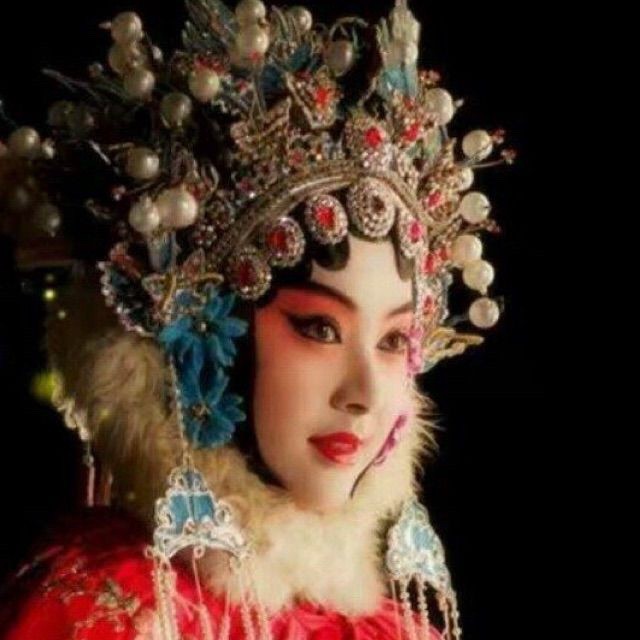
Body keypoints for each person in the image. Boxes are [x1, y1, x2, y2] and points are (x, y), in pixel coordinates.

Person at [0, 1, 514, 638]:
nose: (363, 394)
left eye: (392, 340)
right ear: (206, 338)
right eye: (319, 329)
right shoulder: (114, 609)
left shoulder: (395, 630)